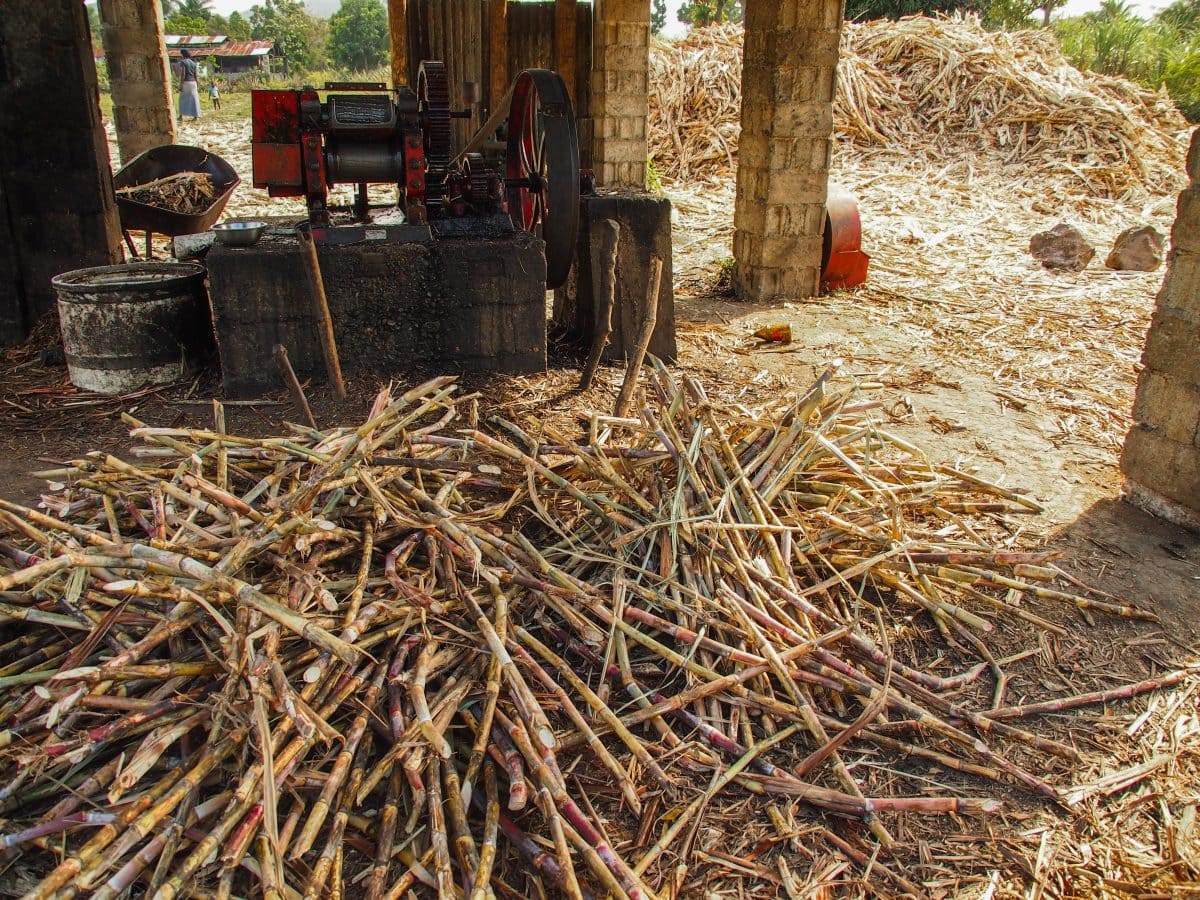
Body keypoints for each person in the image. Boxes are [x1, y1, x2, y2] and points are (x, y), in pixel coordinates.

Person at [178, 49, 201, 121]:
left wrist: (181, 84)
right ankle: (196, 116)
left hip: (186, 82)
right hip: (193, 82)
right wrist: (197, 83)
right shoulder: (193, 63)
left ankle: (181, 116)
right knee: (194, 99)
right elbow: (196, 74)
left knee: (182, 99)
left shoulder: (183, 62)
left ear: (183, 55)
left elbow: (183, 74)